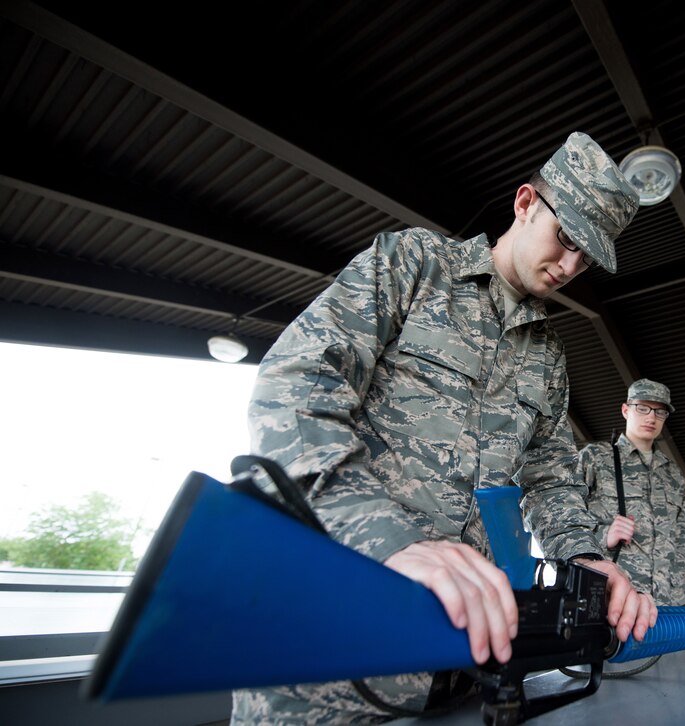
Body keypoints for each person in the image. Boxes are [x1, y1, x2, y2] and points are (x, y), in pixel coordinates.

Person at [233, 132, 656, 724]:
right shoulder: (413, 265)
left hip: (459, 660)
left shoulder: (548, 355)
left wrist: (587, 559)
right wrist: (392, 539)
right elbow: (294, 388)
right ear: (526, 201)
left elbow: (552, 480)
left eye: (586, 259)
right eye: (566, 239)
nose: (568, 266)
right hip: (330, 642)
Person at [576, 379, 685, 605]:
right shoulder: (595, 458)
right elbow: (562, 521)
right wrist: (605, 535)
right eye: (642, 408)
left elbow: (681, 546)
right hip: (613, 598)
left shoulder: (672, 474)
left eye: (660, 411)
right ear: (626, 410)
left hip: (667, 604)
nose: (651, 417)